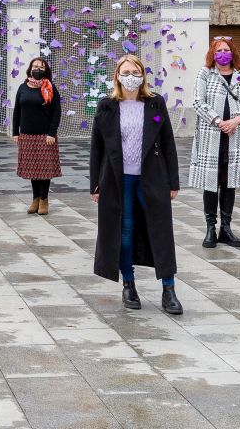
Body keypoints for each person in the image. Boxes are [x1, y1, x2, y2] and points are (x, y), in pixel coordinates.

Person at [89, 54, 183, 315]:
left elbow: (167, 144)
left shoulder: (155, 104)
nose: (130, 76)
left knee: (161, 231)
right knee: (125, 233)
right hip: (119, 180)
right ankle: (128, 284)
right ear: (117, 75)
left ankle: (169, 289)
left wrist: (173, 181)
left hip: (151, 177)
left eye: (135, 71)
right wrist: (95, 184)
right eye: (125, 71)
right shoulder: (107, 106)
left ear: (143, 75)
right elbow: (97, 147)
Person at [189, 36, 240, 249]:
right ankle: (211, 227)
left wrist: (237, 120)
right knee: (211, 182)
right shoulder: (205, 74)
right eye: (219, 50)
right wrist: (219, 122)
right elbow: (197, 102)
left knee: (229, 182)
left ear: (232, 53)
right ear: (213, 53)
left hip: (236, 137)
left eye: (226, 50)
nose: (223, 54)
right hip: (212, 136)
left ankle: (226, 229)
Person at [12, 55, 62, 215]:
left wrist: (51, 133)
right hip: (27, 135)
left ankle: (44, 200)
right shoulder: (23, 87)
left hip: (45, 135)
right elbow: (17, 110)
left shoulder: (50, 87)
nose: (37, 69)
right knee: (33, 170)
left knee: (44, 170)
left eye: (41, 67)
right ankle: (35, 198)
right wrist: (15, 132)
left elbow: (56, 112)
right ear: (30, 69)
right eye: (35, 66)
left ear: (46, 70)